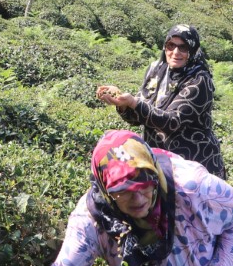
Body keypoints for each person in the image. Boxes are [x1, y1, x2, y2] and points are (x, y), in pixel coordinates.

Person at [36, 130, 233, 266]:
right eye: (124, 190)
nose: (138, 198)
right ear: (105, 191)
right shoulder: (91, 218)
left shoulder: (193, 187)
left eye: (144, 184)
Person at [97, 24, 226, 178]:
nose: (175, 52)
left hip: (194, 166)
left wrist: (134, 103)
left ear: (192, 50)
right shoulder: (156, 71)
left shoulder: (199, 81)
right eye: (171, 45)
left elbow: (173, 122)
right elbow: (138, 117)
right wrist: (123, 104)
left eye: (183, 47)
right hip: (161, 163)